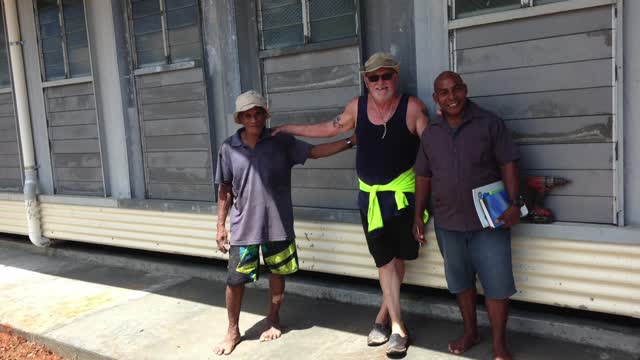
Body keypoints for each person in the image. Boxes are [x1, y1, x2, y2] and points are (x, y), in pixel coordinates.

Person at [274, 53, 429, 356]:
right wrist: (290, 128)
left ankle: (384, 319)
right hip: (369, 198)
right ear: (366, 80)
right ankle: (398, 326)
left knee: (398, 261)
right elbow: (330, 128)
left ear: (395, 77)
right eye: (374, 77)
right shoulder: (356, 107)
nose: (380, 82)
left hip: (403, 196)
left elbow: (435, 148)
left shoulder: (412, 108)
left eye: (386, 76)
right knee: (384, 262)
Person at [213, 90, 356, 356]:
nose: (254, 118)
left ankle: (274, 318)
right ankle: (232, 330)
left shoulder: (282, 142)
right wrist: (220, 227)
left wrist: (350, 141)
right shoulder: (228, 147)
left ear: (265, 115)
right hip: (244, 228)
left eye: (258, 113)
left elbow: (314, 152)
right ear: (240, 118)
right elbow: (225, 190)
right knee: (235, 280)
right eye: (248, 114)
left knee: (278, 274)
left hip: (278, 225)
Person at [413, 71, 522, 360]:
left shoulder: (489, 123)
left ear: (465, 90)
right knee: (461, 283)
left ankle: (499, 344)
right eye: (444, 93)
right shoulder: (431, 132)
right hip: (448, 223)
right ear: (436, 98)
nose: (452, 97)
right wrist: (418, 215)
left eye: (456, 90)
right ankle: (470, 332)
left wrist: (514, 203)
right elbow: (423, 176)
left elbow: (508, 164)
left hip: (490, 223)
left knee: (497, 286)